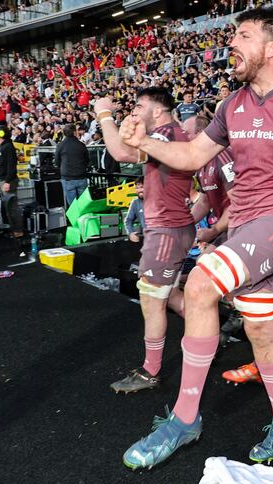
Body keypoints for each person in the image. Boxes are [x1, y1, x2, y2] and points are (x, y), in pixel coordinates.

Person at [117, 8, 273, 469]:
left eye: (243, 36)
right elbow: (190, 154)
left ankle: (186, 419)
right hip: (247, 225)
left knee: (201, 284)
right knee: (260, 330)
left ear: (272, 47)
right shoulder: (231, 104)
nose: (232, 44)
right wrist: (146, 143)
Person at [96, 88, 196, 395]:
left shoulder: (166, 134)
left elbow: (121, 153)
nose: (136, 111)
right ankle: (210, 333)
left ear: (158, 110)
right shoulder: (167, 134)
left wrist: (103, 114)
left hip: (166, 230)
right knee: (172, 293)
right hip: (170, 228)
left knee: (152, 301)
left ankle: (150, 371)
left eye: (141, 106)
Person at [0, 126, 24, 240]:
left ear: (1, 133)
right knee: (6, 208)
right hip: (2, 181)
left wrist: (7, 181)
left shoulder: (8, 147)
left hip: (8, 181)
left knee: (12, 207)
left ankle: (18, 231)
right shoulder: (2, 147)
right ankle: (11, 230)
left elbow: (11, 166)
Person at [54, 124, 90, 207]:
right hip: (81, 177)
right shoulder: (81, 145)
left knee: (72, 206)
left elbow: (57, 161)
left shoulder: (60, 145)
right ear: (74, 132)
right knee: (83, 205)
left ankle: (74, 220)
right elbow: (87, 160)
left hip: (67, 178)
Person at [124, 178, 146, 243]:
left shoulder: (158, 200)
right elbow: (128, 220)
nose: (139, 190)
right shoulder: (135, 202)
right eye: (137, 188)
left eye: (142, 187)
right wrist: (131, 233)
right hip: (148, 239)